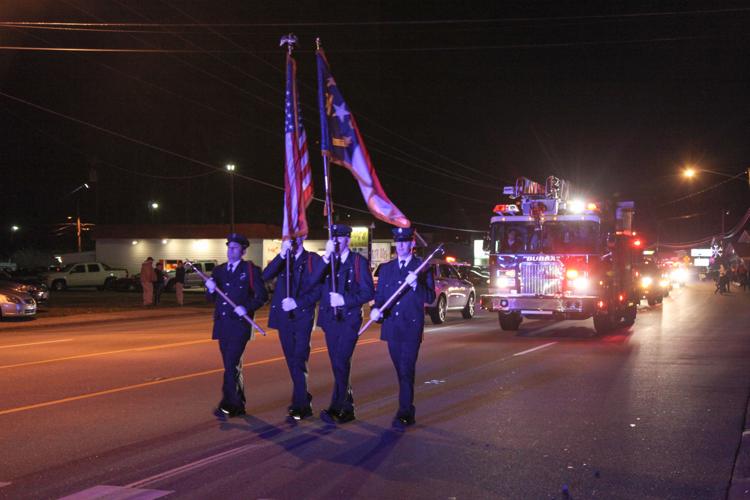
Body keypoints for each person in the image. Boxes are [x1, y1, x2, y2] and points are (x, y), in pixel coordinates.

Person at [370, 227, 435, 427]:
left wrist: (416, 285)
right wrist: (376, 311)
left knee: (406, 370)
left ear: (412, 244)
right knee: (400, 370)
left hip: (410, 328)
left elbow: (431, 298)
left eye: (405, 242)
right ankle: (406, 403)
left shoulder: (422, 267)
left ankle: (405, 411)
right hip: (392, 328)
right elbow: (381, 297)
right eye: (398, 242)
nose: (401, 245)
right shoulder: (387, 268)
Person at [311, 224, 375, 423]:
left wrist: (344, 300)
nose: (336, 241)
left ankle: (338, 408)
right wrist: (325, 257)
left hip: (349, 319)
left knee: (340, 361)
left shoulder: (358, 262)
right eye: (333, 237)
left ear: (348, 239)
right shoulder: (327, 261)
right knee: (338, 364)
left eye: (340, 237)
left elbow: (368, 292)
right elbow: (311, 282)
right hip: (330, 320)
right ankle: (347, 408)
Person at [205, 233, 268, 418]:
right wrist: (209, 289)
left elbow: (262, 296)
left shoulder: (250, 270)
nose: (230, 251)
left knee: (231, 364)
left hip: (239, 325)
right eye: (228, 247)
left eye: (234, 248)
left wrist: (246, 308)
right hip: (223, 324)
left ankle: (229, 404)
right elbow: (211, 298)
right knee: (231, 365)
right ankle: (237, 403)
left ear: (243, 251)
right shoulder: (219, 271)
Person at [262, 236, 323, 420]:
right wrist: (281, 254)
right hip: (284, 318)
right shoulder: (284, 259)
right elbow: (265, 276)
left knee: (299, 358)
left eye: (296, 239)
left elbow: (319, 289)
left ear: (303, 238)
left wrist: (298, 302)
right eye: (289, 240)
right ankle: (302, 396)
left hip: (302, 316)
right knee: (291, 359)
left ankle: (301, 405)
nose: (292, 242)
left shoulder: (312, 259)